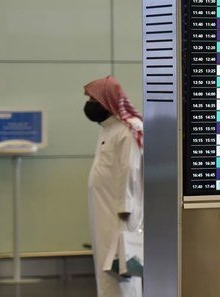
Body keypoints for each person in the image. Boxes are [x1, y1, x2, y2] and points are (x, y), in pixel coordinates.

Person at [84, 76, 143, 297]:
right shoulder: (107, 128)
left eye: (93, 99)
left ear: (105, 101)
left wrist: (125, 208)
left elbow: (130, 170)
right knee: (106, 269)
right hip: (103, 211)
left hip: (119, 214)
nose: (89, 104)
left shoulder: (127, 130)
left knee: (122, 270)